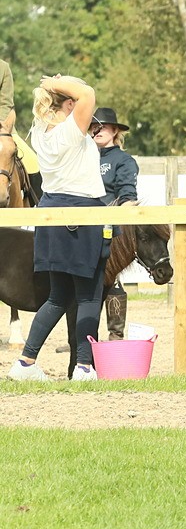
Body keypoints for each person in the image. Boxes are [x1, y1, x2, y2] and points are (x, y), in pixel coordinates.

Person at [8, 75, 105, 381]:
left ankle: (26, 362)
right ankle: (84, 367)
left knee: (58, 296)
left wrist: (56, 86)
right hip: (81, 212)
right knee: (89, 295)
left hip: (52, 211)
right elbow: (87, 92)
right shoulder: (69, 131)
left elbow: (83, 96)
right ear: (68, 103)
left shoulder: (39, 131)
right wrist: (61, 81)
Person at [91, 107, 138, 340]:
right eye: (93, 126)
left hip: (110, 227)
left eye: (103, 126)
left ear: (115, 130)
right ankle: (84, 334)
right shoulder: (82, 156)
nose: (97, 130)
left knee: (112, 280)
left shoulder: (123, 160)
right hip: (84, 227)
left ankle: (115, 334)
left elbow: (128, 196)